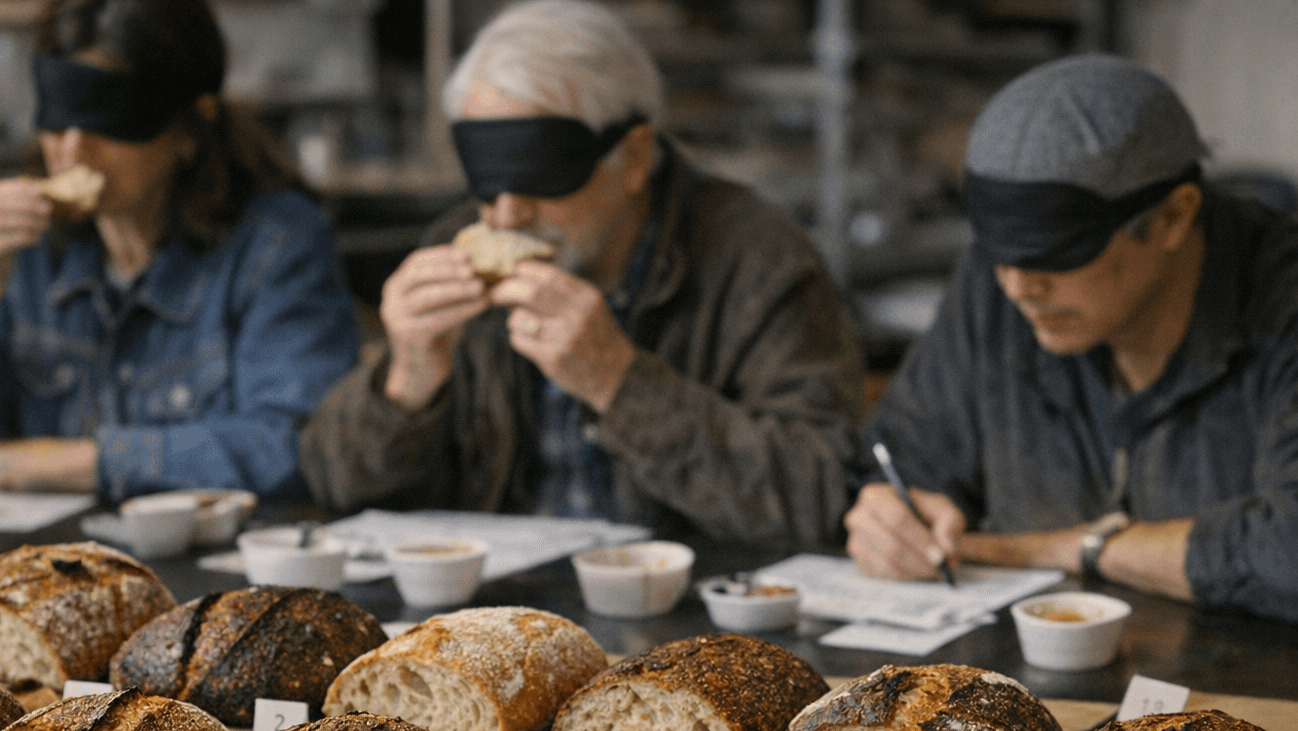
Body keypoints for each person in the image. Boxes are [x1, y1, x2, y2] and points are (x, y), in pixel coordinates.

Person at [299, 0, 863, 547]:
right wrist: (405, 386)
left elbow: (820, 497)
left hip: (691, 620)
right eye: (486, 182)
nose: (507, 215)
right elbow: (333, 486)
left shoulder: (759, 261)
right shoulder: (454, 246)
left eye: (542, 178)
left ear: (634, 158)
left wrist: (619, 382)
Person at [845, 54, 1298, 622]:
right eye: (998, 254)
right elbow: (904, 457)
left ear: (1173, 218)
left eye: (1055, 256)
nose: (1018, 288)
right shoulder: (1004, 283)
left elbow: (1289, 553)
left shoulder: (1283, 295)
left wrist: (1076, 547)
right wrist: (892, 514)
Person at [0, 0, 360, 501]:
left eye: (106, 121)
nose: (73, 152)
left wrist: (87, 463)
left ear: (189, 129)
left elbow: (299, 448)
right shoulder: (26, 251)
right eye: (57, 120)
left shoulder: (278, 247)